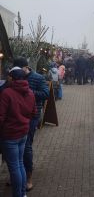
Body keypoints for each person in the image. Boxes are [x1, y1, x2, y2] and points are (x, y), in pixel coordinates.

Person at [13, 57, 49, 191]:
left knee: (26, 145)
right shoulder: (14, 76)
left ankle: (28, 177)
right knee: (16, 145)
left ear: (26, 67)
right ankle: (17, 175)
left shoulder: (38, 78)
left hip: (32, 115)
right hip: (17, 114)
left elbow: (45, 94)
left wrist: (28, 92)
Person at [0, 67, 37, 197]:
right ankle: (22, 194)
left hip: (10, 135)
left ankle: (18, 194)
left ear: (12, 78)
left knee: (14, 166)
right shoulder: (31, 92)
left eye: (9, 76)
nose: (7, 78)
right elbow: (33, 113)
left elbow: (1, 116)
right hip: (23, 133)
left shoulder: (7, 93)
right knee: (20, 163)